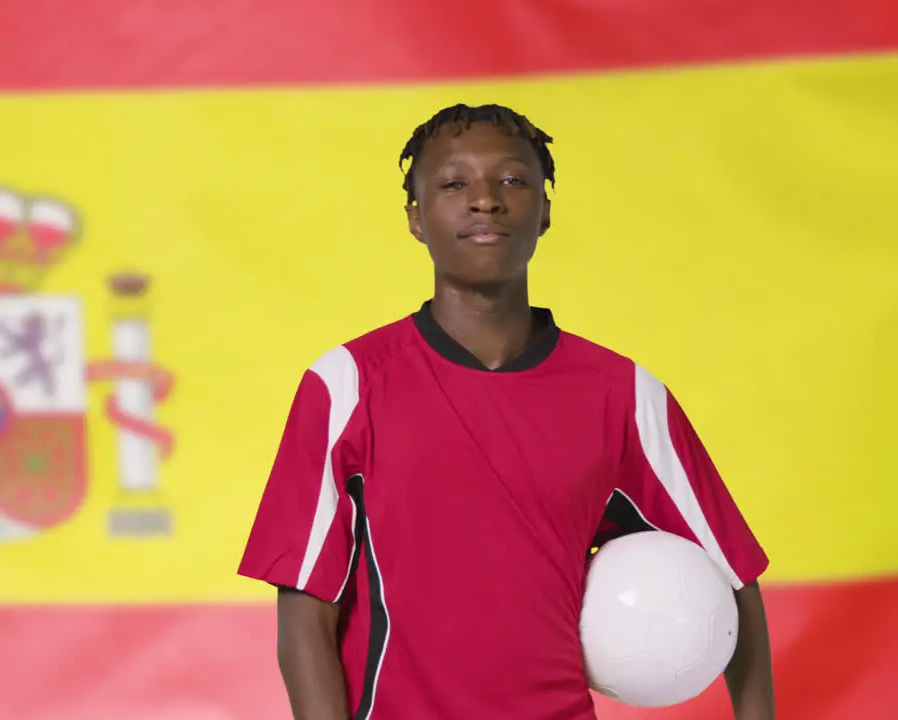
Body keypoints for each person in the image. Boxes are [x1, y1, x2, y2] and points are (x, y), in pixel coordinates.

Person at [236, 104, 775, 719]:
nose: (485, 201)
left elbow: (733, 579)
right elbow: (306, 610)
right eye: (453, 183)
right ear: (416, 217)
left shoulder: (623, 396)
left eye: (513, 181)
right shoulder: (347, 386)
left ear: (544, 210)